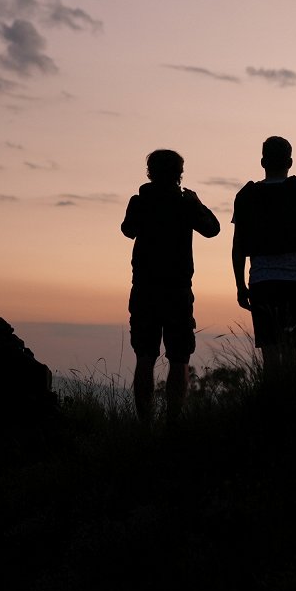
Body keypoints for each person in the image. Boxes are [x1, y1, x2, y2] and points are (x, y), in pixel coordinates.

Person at [121, 149, 221, 426]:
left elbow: (127, 230)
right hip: (177, 291)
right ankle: (173, 424)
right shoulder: (185, 203)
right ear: (179, 174)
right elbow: (213, 229)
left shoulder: (140, 201)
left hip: (144, 289)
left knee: (145, 357)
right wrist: (196, 202)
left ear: (150, 172)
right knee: (179, 358)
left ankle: (145, 426)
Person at [231, 136, 296, 380]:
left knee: (270, 355)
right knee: (293, 355)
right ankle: (291, 408)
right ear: (290, 161)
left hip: (262, 283)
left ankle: (272, 406)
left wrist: (241, 286)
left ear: (263, 161)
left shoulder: (245, 196)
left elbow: (238, 246)